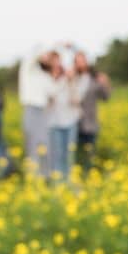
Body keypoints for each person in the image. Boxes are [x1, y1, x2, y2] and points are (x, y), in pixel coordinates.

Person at [44, 53, 81, 182]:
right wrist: (61, 81)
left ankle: (70, 182)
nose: (57, 64)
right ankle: (58, 183)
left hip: (70, 121)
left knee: (69, 155)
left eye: (58, 61)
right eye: (53, 61)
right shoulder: (45, 79)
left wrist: (70, 82)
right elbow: (49, 98)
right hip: (53, 123)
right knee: (57, 155)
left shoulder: (70, 79)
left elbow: (76, 100)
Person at [18, 47, 55, 175]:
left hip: (43, 113)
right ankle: (33, 178)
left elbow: (52, 92)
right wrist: (50, 48)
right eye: (46, 56)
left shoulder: (46, 75)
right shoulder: (29, 69)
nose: (47, 58)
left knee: (46, 147)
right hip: (31, 110)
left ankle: (45, 177)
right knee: (32, 147)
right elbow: (31, 55)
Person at [73, 52, 111, 170]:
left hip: (90, 122)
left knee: (90, 155)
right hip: (73, 122)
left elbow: (105, 97)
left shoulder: (94, 79)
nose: (80, 63)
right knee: (75, 154)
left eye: (82, 60)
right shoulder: (72, 78)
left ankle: (88, 177)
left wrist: (105, 83)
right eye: (78, 61)